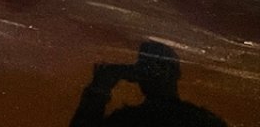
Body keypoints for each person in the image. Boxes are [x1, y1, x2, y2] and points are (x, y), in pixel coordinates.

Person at [70, 41, 228, 127]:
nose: (153, 72)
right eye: (146, 66)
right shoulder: (202, 121)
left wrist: (101, 84)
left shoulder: (128, 120)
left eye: (156, 66)